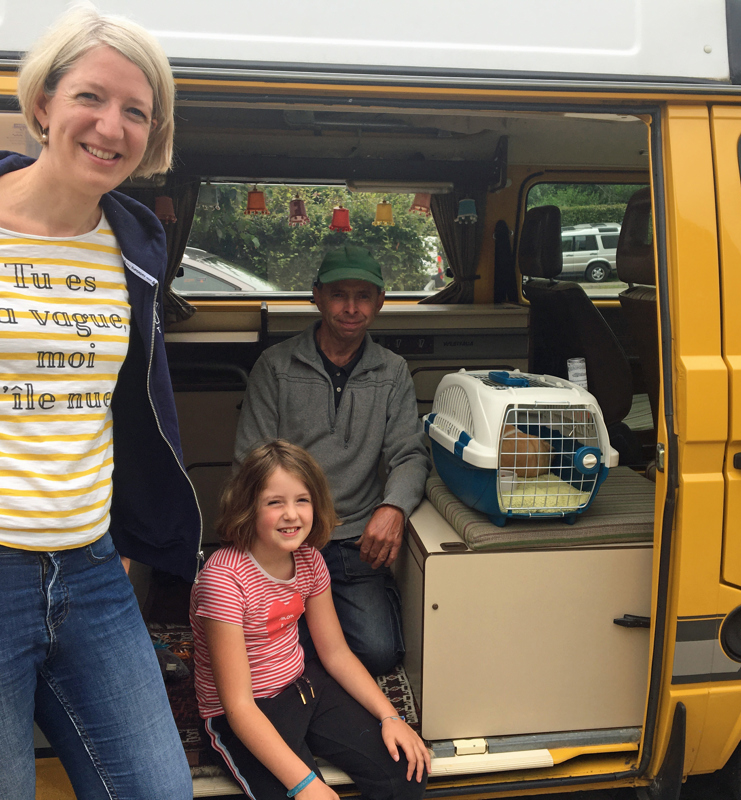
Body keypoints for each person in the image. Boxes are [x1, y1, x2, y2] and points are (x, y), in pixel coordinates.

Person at [0, 7, 200, 798]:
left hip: (89, 572)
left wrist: (118, 528)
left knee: (160, 790)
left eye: (137, 112)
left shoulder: (133, 239)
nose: (111, 126)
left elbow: (119, 402)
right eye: (91, 96)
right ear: (43, 102)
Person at [191, 440, 430, 800]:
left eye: (302, 500)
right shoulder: (223, 579)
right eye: (275, 502)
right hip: (243, 713)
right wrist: (304, 785)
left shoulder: (310, 562)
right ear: (247, 508)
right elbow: (238, 704)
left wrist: (391, 717)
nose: (292, 514)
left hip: (302, 685)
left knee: (407, 771)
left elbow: (335, 653)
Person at [234, 246, 430, 675]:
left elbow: (410, 453)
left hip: (353, 540)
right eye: (339, 294)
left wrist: (393, 506)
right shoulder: (276, 365)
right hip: (285, 537)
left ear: (380, 302)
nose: (351, 308)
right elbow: (252, 461)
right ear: (317, 297)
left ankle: (350, 611)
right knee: (268, 657)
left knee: (378, 654)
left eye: (364, 296)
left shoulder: (393, 371)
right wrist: (279, 532)